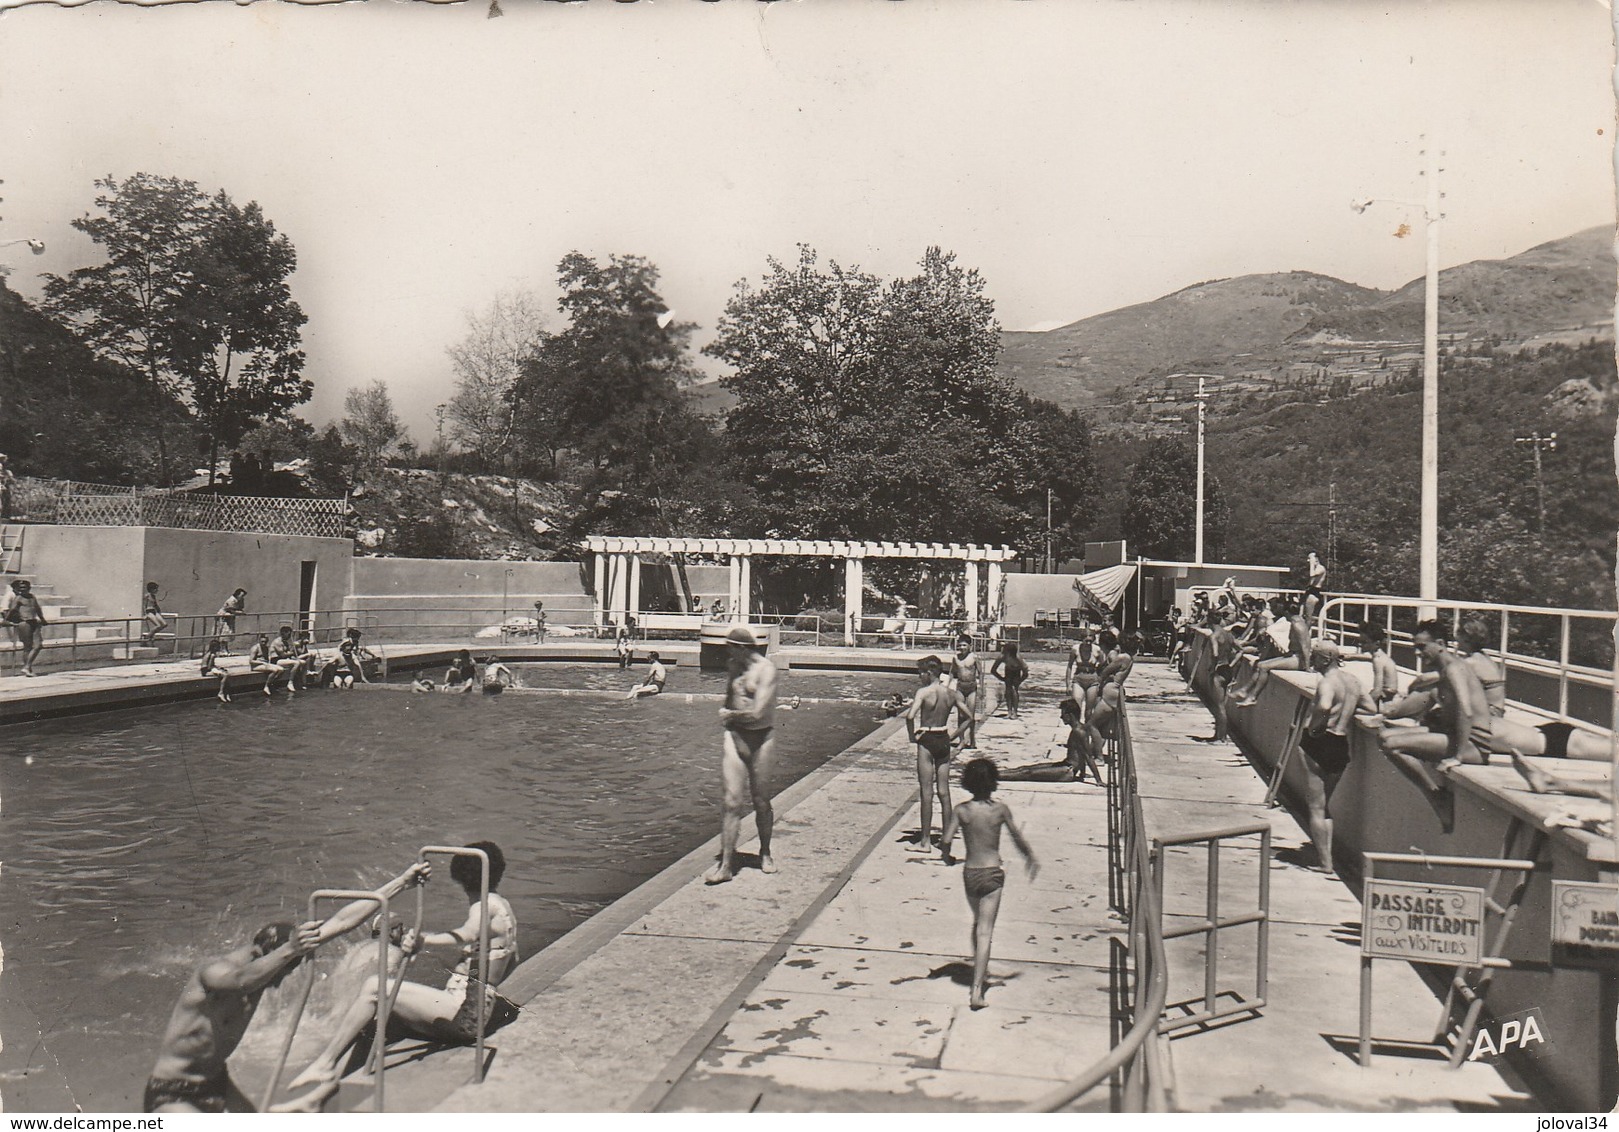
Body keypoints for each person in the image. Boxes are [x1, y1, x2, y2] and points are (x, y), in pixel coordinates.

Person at [145, 862, 429, 1113]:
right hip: (173, 1091)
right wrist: (291, 950)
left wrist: (402, 882)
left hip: (218, 1082)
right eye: (284, 971)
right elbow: (241, 981)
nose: (283, 980)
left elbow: (341, 922)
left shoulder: (269, 964)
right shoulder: (214, 972)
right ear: (265, 956)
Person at [280, 852, 513, 1110]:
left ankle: (325, 1067)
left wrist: (426, 940)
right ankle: (324, 1090)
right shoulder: (504, 909)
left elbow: (468, 933)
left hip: (464, 1016)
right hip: (474, 1010)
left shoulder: (484, 906)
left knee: (373, 989)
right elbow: (509, 960)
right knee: (373, 1018)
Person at [1372, 620, 1492, 830]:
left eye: (1422, 647)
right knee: (1385, 736)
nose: (1418, 654)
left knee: (1391, 744)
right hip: (1457, 736)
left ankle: (1437, 798)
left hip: (1474, 744)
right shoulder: (1445, 669)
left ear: (1439, 644)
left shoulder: (1454, 669)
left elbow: (1466, 710)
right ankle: (1437, 796)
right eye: (1415, 648)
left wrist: (1458, 757)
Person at [940, 759, 1038, 1010]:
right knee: (986, 930)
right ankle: (977, 989)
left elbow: (947, 840)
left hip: (971, 873)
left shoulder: (962, 811)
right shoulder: (1000, 810)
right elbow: (1017, 836)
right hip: (993, 873)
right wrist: (1030, 857)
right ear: (993, 782)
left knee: (978, 925)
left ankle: (979, 971)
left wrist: (947, 857)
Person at [706, 625, 779, 885]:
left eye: (730, 647)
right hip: (734, 737)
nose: (727, 652)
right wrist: (730, 719)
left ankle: (766, 852)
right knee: (732, 802)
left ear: (742, 648)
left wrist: (731, 715)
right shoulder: (733, 666)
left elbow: (759, 712)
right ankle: (725, 865)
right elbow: (730, 698)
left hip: (761, 739)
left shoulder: (766, 670)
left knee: (761, 801)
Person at [1297, 642, 1363, 876]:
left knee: (1315, 806)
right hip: (1341, 743)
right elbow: (1371, 706)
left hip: (1320, 743)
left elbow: (1324, 705)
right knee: (1325, 806)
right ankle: (1326, 858)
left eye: (1314, 656)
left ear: (1326, 659)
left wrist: (1313, 729)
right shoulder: (1353, 682)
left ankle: (1325, 863)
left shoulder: (1327, 682)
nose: (1311, 659)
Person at [904, 655, 974, 849]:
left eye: (921, 673)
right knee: (944, 791)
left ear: (930, 673)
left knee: (927, 792)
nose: (919, 677)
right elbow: (969, 717)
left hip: (926, 740)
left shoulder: (923, 692)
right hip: (943, 738)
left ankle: (925, 842)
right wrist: (954, 736)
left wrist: (912, 737)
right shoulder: (951, 694)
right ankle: (946, 840)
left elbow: (910, 717)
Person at [1000, 695, 1102, 784]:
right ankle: (994, 773)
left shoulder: (1079, 732)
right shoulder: (1078, 729)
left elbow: (1088, 756)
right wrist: (1082, 774)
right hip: (1065, 765)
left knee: (1027, 773)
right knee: (1025, 768)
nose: (1061, 717)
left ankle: (992, 776)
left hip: (1067, 771)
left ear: (1070, 716)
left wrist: (1098, 780)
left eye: (1063, 714)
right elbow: (1081, 753)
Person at [1229, 597, 1309, 707]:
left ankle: (1253, 697)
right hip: (1292, 655)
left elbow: (1305, 647)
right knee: (1261, 664)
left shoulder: (1298, 625)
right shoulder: (1294, 623)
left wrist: (1307, 668)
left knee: (1263, 667)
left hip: (1298, 659)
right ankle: (1244, 690)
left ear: (1287, 612)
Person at [1205, 611, 1240, 743]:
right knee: (1221, 704)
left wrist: (1212, 668)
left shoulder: (1214, 636)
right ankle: (1218, 735)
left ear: (1209, 621)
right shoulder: (1229, 634)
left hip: (1218, 670)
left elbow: (1214, 653)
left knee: (1218, 706)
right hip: (1227, 670)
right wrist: (1232, 664)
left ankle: (1222, 736)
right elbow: (1240, 650)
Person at [3, 577, 47, 676]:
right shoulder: (18, 598)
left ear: (29, 588)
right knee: (27, 647)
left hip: (34, 622)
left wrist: (42, 619)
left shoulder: (32, 597)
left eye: (25, 587)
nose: (22, 589)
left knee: (38, 645)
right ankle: (28, 669)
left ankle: (26, 667)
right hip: (25, 623)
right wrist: (5, 621)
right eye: (20, 588)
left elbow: (37, 608)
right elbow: (11, 610)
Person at [1066, 627, 1105, 723]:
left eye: (1090, 641)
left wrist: (1101, 681)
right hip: (1079, 678)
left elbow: (1103, 666)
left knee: (1089, 711)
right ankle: (1077, 732)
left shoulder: (1097, 650)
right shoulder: (1075, 649)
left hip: (1092, 679)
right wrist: (1068, 684)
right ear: (1082, 639)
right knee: (1076, 708)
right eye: (1086, 641)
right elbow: (1069, 666)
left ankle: (1087, 732)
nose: (1088, 643)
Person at [949, 635, 982, 749]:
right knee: (961, 715)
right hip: (960, 687)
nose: (962, 647)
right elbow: (952, 672)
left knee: (970, 716)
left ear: (970, 646)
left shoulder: (974, 657)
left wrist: (981, 688)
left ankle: (972, 738)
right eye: (960, 645)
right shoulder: (956, 658)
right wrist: (948, 686)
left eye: (964, 645)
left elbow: (980, 673)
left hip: (972, 688)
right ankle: (961, 740)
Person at [1358, 621, 1400, 708]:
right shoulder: (1381, 656)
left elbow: (1377, 690)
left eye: (1364, 642)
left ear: (1377, 644)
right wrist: (1349, 657)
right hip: (1390, 694)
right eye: (1360, 641)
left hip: (1386, 699)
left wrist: (1361, 705)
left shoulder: (1377, 660)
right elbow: (1368, 658)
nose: (1360, 644)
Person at [989, 641, 1028, 721]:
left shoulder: (1018, 658)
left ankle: (1015, 712)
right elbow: (993, 670)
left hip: (1017, 671)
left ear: (1010, 653)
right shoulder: (1002, 657)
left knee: (1014, 690)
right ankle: (1009, 711)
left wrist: (1020, 680)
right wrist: (1002, 678)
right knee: (1008, 690)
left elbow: (1025, 673)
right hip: (1008, 671)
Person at [267, 624, 303, 694]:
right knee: (296, 663)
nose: (290, 636)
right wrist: (292, 652)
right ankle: (290, 682)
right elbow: (283, 655)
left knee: (302, 662)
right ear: (283, 633)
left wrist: (297, 646)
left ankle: (301, 683)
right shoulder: (277, 642)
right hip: (275, 660)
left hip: (283, 659)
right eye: (289, 634)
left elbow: (290, 653)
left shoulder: (285, 641)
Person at [201, 637, 231, 702]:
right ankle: (221, 692)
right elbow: (209, 667)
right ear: (215, 647)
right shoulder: (212, 655)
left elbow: (211, 665)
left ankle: (226, 693)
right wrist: (217, 669)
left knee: (225, 672)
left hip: (207, 670)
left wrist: (218, 668)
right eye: (218, 647)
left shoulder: (209, 653)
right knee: (225, 675)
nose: (219, 648)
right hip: (206, 672)